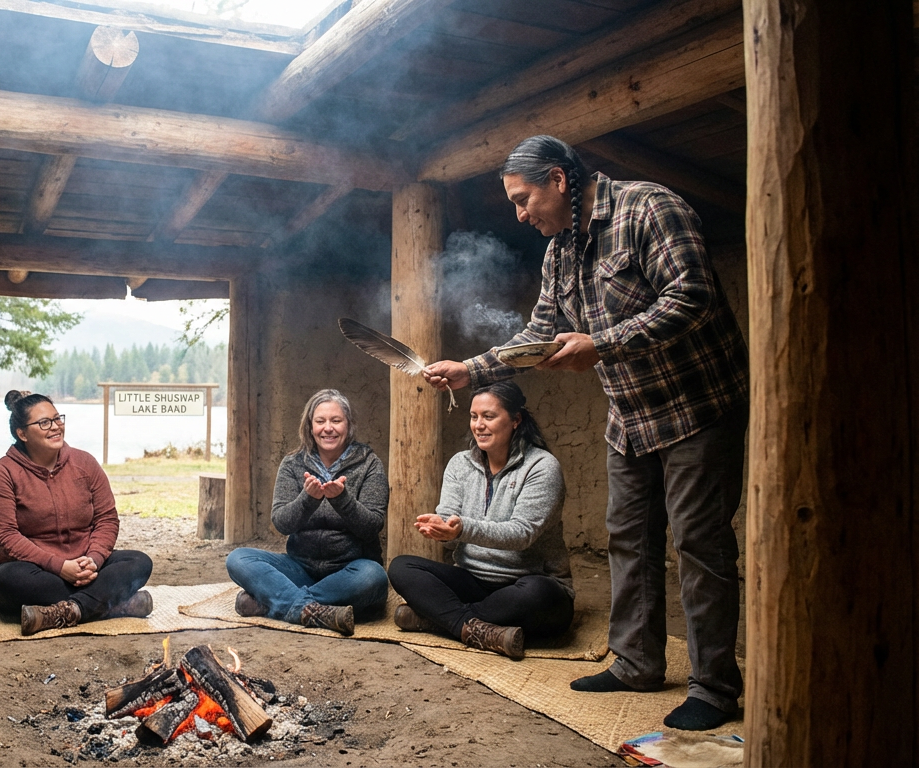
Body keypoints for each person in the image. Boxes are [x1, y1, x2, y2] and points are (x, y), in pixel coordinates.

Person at [422, 135, 748, 730]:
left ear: (558, 179)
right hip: (630, 418)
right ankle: (637, 663)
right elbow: (540, 333)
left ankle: (715, 687)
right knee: (628, 539)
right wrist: (471, 370)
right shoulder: (559, 252)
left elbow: (692, 296)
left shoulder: (648, 207)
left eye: (523, 200)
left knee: (699, 546)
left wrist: (602, 343)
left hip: (698, 408)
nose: (520, 215)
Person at [389, 381, 574, 660]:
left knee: (539, 594)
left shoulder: (542, 467)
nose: (479, 425)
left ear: (515, 420)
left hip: (525, 585)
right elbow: (449, 522)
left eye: (489, 416)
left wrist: (462, 529)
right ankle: (472, 626)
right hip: (472, 581)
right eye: (474, 416)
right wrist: (441, 529)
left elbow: (522, 533)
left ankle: (440, 620)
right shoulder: (460, 464)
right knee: (402, 567)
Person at [0, 391, 154, 636]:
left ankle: (72, 610)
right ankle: (114, 605)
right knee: (6, 582)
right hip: (34, 571)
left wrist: (94, 559)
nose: (55, 427)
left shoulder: (85, 463)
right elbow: (4, 536)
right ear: (22, 434)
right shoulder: (3, 472)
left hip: (85, 566)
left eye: (57, 419)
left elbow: (106, 519)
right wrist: (60, 566)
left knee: (139, 562)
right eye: (44, 423)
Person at [224, 389, 389, 636]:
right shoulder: (293, 464)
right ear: (310, 427)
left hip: (348, 573)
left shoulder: (369, 463)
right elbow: (281, 523)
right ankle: (310, 608)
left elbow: (373, 525)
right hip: (300, 569)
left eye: (336, 420)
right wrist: (307, 500)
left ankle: (280, 603)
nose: (328, 428)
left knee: (374, 577)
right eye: (320, 421)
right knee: (238, 558)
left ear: (348, 425)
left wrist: (342, 500)